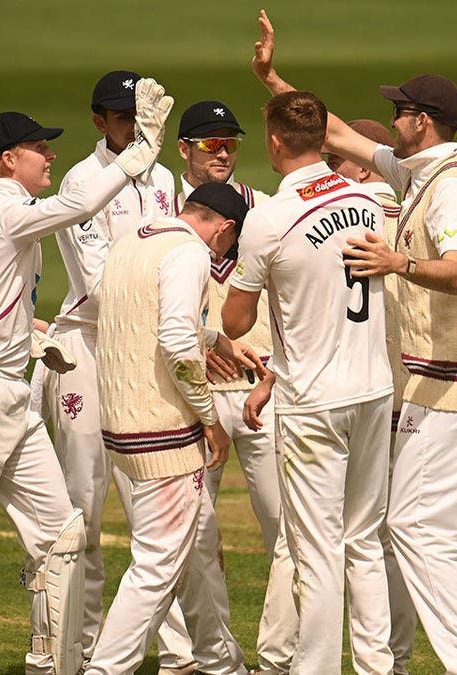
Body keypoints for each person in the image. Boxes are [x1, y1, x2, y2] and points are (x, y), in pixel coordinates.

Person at [253, 11, 457, 674]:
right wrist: (272, 80)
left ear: (421, 122)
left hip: (455, 382)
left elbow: (454, 274)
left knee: (416, 529)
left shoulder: (452, 192)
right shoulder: (416, 174)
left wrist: (399, 264)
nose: (391, 117)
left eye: (399, 109)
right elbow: (331, 133)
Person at [0, 79, 174, 675]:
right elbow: (79, 208)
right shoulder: (7, 211)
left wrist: (19, 326)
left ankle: (53, 665)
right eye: (39, 148)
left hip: (9, 391)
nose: (51, 155)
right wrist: (139, 154)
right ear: (9, 160)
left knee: (61, 536)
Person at [222, 89, 394, 674]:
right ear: (325, 140)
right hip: (374, 389)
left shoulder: (268, 217)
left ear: (273, 142)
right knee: (364, 542)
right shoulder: (369, 198)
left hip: (314, 401)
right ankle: (378, 668)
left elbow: (235, 320)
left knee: (316, 553)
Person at [34, 69, 190, 674]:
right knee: (84, 507)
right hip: (89, 350)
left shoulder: (165, 177)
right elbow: (98, 286)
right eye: (122, 118)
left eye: (141, 117)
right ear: (99, 121)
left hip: (145, 349)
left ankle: (178, 653)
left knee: (156, 502)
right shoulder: (81, 181)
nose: (133, 127)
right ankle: (79, 645)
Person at [87, 182, 261, 675]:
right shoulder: (190, 253)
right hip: (162, 429)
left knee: (198, 546)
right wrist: (211, 420)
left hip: (121, 422)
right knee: (158, 565)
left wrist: (219, 340)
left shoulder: (134, 240)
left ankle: (221, 663)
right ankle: (105, 670)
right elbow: (176, 342)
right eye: (231, 241)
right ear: (224, 228)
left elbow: (144, 317)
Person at [173, 100, 294, 675]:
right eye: (208, 143)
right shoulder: (166, 216)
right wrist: (207, 345)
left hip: (262, 390)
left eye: (229, 143)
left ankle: (282, 659)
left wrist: (273, 369)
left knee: (288, 533)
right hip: (194, 397)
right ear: (184, 151)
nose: (220, 152)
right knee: (193, 536)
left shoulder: (268, 209)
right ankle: (216, 660)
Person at [330, 119, 418, 674]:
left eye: (334, 161)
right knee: (385, 536)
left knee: (370, 536)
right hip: (397, 387)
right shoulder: (400, 203)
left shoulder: (366, 205)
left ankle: (386, 660)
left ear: (360, 167)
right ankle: (395, 660)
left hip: (371, 388)